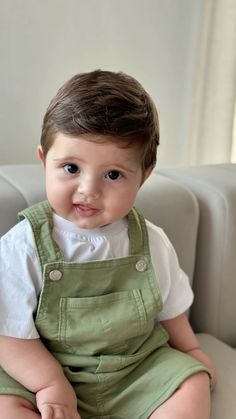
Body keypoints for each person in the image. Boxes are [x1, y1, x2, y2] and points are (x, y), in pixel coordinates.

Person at [0, 69, 216, 419]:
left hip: (134, 370)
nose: (88, 189)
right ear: (44, 160)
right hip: (44, 370)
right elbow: (9, 334)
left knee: (191, 386)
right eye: (71, 168)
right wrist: (50, 384)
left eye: (113, 175)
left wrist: (190, 348)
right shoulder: (23, 246)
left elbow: (170, 306)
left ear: (144, 175)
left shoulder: (149, 241)